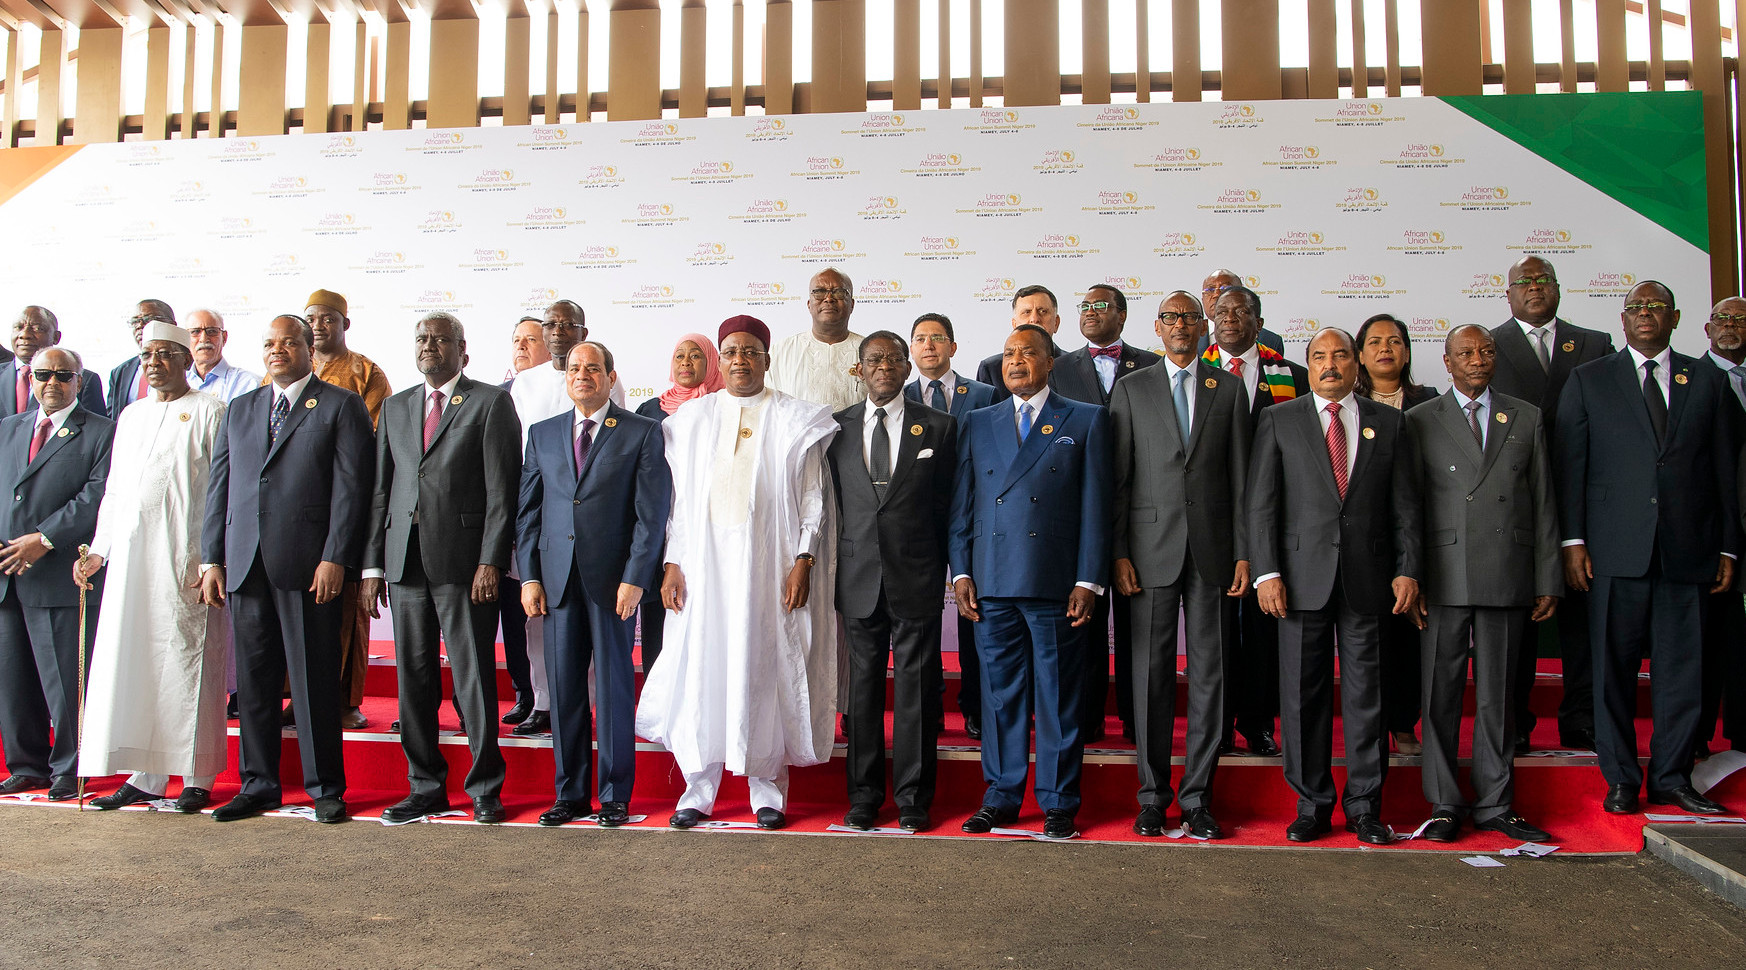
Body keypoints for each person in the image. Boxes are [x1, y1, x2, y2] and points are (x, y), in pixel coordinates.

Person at [635, 315, 839, 831]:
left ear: (767, 359)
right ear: (718, 360)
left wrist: (803, 559)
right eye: (730, 351)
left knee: (761, 666)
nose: (740, 360)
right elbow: (680, 503)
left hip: (769, 570)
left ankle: (765, 788)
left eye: (750, 351)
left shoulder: (796, 418)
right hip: (703, 571)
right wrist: (673, 562)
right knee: (704, 666)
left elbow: (813, 500)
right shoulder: (693, 419)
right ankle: (698, 788)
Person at [1558, 281, 1741, 816]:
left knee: (1682, 671)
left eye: (1655, 307)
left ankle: (1671, 776)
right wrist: (1573, 541)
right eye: (1636, 307)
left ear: (1676, 317)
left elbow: (1726, 469)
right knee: (1610, 671)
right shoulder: (1589, 379)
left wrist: (1729, 546)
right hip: (1613, 553)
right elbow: (1571, 467)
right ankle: (1620, 778)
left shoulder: (1706, 378)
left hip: (1690, 551)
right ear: (1622, 317)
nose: (1645, 315)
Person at [1249, 327, 1422, 845]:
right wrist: (1267, 571)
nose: (1330, 365)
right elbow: (1261, 504)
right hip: (1298, 581)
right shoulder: (1279, 419)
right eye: (1319, 357)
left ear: (1356, 364)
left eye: (1340, 355)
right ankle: (1313, 805)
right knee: (1302, 696)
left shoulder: (1388, 422)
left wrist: (1409, 567)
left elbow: (1407, 506)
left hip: (1369, 581)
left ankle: (1366, 806)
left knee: (1368, 696)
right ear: (1309, 365)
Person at [199, 314, 374, 823]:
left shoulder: (341, 405)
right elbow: (220, 489)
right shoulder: (240, 409)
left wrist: (336, 557)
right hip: (245, 565)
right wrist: (213, 557)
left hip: (310, 566)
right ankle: (259, 785)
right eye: (270, 343)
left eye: (288, 342)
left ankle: (325, 788)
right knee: (253, 683)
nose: (278, 350)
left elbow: (352, 491)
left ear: (307, 347)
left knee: (313, 680)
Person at [950, 324, 1111, 840]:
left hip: (1055, 583)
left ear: (1051, 362)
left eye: (1029, 353)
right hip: (992, 581)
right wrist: (962, 571)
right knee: (1000, 697)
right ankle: (1000, 796)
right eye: (1009, 353)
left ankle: (1059, 802)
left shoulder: (1085, 419)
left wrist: (1089, 579)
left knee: (1060, 696)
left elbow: (1097, 508)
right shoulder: (978, 421)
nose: (1016, 361)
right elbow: (963, 504)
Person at [360, 312, 520, 825]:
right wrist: (370, 567)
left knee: (473, 679)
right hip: (404, 563)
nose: (430, 346)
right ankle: (424, 787)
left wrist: (491, 560)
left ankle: (485, 789)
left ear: (462, 350)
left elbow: (502, 492)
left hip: (464, 567)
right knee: (415, 680)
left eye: (441, 340)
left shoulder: (490, 402)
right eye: (422, 339)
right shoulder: (396, 406)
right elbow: (381, 492)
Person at [1405, 324, 1559, 844]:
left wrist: (1547, 577)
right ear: (1446, 363)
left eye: (1486, 351)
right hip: (1443, 575)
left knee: (1499, 697)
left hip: (1507, 571)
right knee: (1439, 693)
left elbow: (1543, 504)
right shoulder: (1420, 420)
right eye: (1465, 353)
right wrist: (1413, 576)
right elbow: (1410, 509)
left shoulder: (1525, 415)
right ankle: (1445, 802)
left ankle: (1496, 803)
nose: (1478, 359)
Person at [1110, 291, 1250, 839]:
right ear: (1158, 326)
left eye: (1191, 318)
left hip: (1214, 553)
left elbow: (1242, 480)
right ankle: (1151, 796)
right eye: (1171, 318)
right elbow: (1119, 480)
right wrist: (1118, 551)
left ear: (1203, 325)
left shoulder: (1228, 388)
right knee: (1150, 676)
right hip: (1147, 553)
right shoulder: (1131, 388)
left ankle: (1197, 798)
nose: (1181, 326)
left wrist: (1245, 552)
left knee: (1211, 676)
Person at [75, 324, 227, 813]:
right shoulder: (132, 415)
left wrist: (212, 559)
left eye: (165, 354)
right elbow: (116, 491)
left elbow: (224, 492)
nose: (154, 362)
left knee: (188, 659)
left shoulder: (212, 410)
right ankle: (147, 776)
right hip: (132, 563)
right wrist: (100, 550)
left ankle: (198, 775)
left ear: (187, 360)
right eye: (146, 355)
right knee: (138, 660)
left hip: (188, 559)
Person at [521, 342, 670, 827]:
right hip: (557, 581)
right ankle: (570, 795)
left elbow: (652, 515)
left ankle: (614, 796)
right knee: (564, 692)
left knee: (611, 691)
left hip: (614, 587)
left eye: (593, 369)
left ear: (610, 376)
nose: (583, 375)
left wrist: (636, 577)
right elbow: (528, 512)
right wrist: (530, 576)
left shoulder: (641, 432)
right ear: (566, 377)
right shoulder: (542, 434)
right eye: (575, 369)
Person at [827, 331, 957, 833]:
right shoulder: (835, 429)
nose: (884, 366)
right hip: (858, 577)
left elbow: (950, 506)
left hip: (917, 576)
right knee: (861, 693)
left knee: (916, 692)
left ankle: (912, 799)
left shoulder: (940, 427)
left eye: (894, 359)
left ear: (908, 368)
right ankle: (862, 797)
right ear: (858, 369)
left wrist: (946, 566)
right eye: (873, 359)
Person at [1488, 256, 1614, 754]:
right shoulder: (1488, 345)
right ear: (1509, 293)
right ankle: (1515, 720)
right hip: (1515, 505)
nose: (1535, 288)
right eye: (1525, 281)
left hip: (1585, 498)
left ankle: (1581, 717)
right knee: (1519, 623)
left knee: (1583, 622)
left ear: (1558, 289)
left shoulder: (1595, 343)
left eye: (1543, 281)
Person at [0, 347, 114, 799]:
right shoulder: (9, 428)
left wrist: (41, 539)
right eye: (43, 374)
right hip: (8, 571)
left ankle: (70, 767)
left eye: (62, 375)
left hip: (59, 572)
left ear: (79, 381)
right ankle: (26, 764)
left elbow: (95, 497)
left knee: (67, 681)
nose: (51, 382)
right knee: (13, 679)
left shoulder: (102, 433)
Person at [1201, 285, 1309, 758]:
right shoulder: (1193, 371)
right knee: (1217, 632)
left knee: (1265, 629)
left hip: (1273, 519)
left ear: (1259, 321)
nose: (1230, 318)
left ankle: (1259, 722)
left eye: (1242, 311)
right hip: (1213, 522)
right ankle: (1218, 725)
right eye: (1221, 311)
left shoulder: (1291, 374)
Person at [507, 298, 618, 737]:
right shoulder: (524, 382)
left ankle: (586, 703)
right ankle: (543, 700)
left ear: (582, 331)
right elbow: (518, 452)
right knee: (539, 619)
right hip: (543, 520)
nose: (556, 330)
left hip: (591, 527)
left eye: (566, 324)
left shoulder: (603, 379)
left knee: (588, 627)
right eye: (550, 324)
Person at [1052, 284, 1158, 743]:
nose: (1091, 312)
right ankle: (1089, 717)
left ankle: (1138, 719)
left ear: (1122, 314)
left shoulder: (1154, 365)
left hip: (1143, 511)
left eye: (1101, 306)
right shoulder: (1057, 367)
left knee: (1139, 625)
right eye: (1085, 306)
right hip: (1077, 512)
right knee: (1084, 622)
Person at [903, 312, 996, 739]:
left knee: (974, 613)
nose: (929, 346)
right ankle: (930, 706)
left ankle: (975, 706)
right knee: (921, 620)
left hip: (973, 518)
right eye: (920, 339)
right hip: (916, 522)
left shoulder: (984, 394)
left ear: (953, 347)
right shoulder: (897, 397)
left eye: (937, 338)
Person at [304, 289, 391, 731]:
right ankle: (300, 696)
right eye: (311, 318)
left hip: (348, 503)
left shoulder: (365, 372)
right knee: (300, 609)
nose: (318, 326)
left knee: (347, 610)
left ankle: (346, 699)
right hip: (296, 511)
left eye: (328, 318)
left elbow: (372, 442)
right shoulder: (280, 372)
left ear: (345, 324)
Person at [1354, 312, 1439, 758]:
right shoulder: (1341, 404)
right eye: (1374, 342)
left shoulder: (1431, 402)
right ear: (1360, 355)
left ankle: (1404, 724)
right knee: (1369, 642)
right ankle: (1369, 729)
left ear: (1407, 350)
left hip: (1415, 533)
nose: (1385, 348)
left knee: (1410, 637)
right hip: (1360, 540)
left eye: (1395, 341)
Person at [633, 332, 724, 675]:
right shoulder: (650, 409)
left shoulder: (723, 405)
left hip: (706, 523)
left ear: (712, 363)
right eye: (680, 356)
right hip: (657, 521)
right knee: (658, 608)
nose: (686, 362)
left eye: (696, 356)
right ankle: (660, 688)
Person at [494, 315, 551, 727]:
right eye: (516, 339)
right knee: (514, 616)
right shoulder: (494, 395)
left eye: (531, 339)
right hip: (506, 518)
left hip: (547, 520)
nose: (522, 346)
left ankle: (549, 700)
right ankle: (523, 692)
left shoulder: (568, 388)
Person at [1698, 296, 1746, 758]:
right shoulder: (1691, 378)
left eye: (1741, 320)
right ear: (1707, 328)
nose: (1731, 326)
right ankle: (1698, 738)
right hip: (1709, 532)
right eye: (1723, 319)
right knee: (1708, 642)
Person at [768, 267, 866, 411]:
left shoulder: (869, 352)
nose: (828, 299)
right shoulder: (781, 351)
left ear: (851, 304)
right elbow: (769, 407)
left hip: (857, 434)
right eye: (819, 292)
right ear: (809, 304)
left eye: (839, 292)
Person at [1, 307, 107, 419]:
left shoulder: (82, 379)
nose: (25, 334)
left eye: (37, 328)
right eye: (18, 327)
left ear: (56, 337)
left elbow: (96, 430)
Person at [975, 285, 1065, 403]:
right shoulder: (991, 368)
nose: (1034, 319)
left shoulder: (1074, 367)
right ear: (1014, 324)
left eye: (1042, 311)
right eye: (1026, 312)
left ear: (1056, 322)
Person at [106, 299, 175, 417]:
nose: (140, 326)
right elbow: (112, 420)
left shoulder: (186, 366)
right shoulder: (121, 372)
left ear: (171, 325)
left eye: (148, 320)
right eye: (135, 321)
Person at [1197, 269, 1285, 355]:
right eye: (1210, 290)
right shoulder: (1189, 337)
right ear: (1202, 298)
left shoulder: (1271, 341)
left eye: (1226, 288)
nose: (1216, 294)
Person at [185, 309, 262, 401]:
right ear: (185, 338)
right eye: (195, 332)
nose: (204, 339)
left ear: (224, 338)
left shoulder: (249, 383)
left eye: (212, 331)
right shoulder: (176, 383)